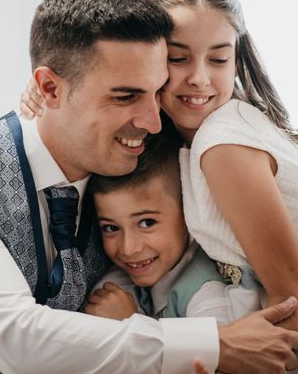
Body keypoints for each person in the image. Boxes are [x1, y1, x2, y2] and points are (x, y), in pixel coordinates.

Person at [0, 0, 298, 374]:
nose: (152, 120)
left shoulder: (134, 179)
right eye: (125, 97)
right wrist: (214, 344)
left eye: (155, 91)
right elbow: (15, 336)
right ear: (48, 88)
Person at [21, 0, 298, 373]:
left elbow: (291, 301)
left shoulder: (223, 145)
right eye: (178, 58)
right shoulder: (182, 134)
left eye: (219, 58)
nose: (200, 78)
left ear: (238, 56)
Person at [84, 117, 234, 323]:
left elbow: (223, 354)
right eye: (111, 227)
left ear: (189, 211)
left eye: (147, 223)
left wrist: (132, 324)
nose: (129, 248)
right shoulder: (125, 277)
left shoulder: (207, 296)